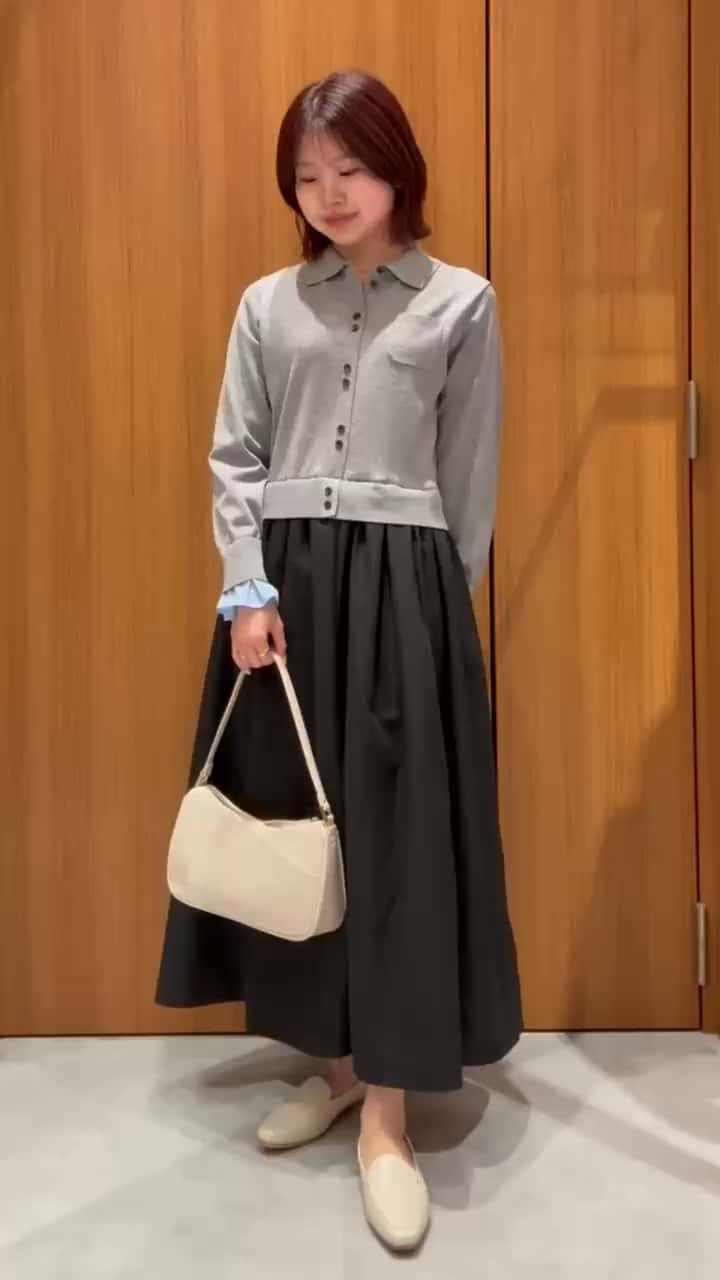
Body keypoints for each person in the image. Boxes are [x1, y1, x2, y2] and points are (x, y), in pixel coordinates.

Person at [156, 68, 523, 1252]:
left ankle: (390, 1114)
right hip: (287, 596)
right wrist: (245, 585)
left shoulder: (462, 303)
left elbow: (469, 478)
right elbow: (236, 454)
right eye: (308, 177)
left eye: (351, 169)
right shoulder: (268, 305)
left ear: (397, 168)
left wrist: (438, 621)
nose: (330, 194)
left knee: (399, 842)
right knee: (301, 832)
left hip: (407, 593)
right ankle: (333, 1065)